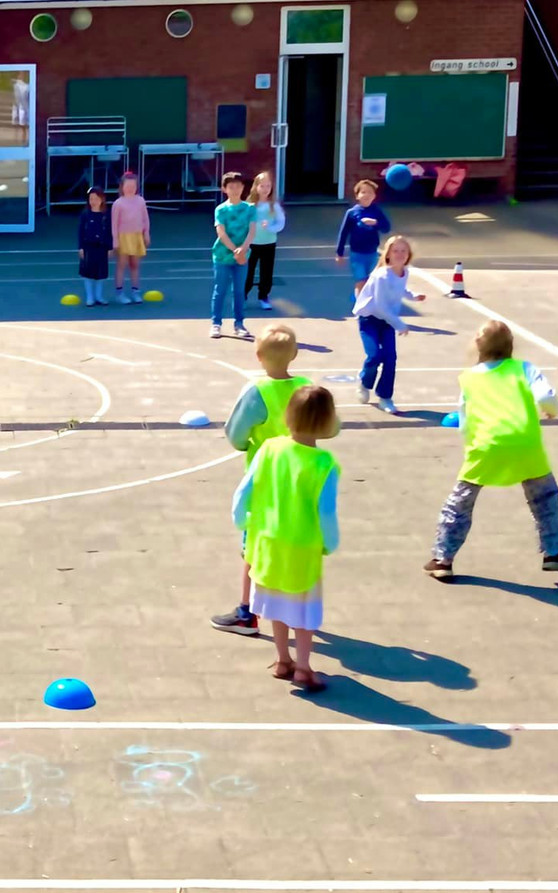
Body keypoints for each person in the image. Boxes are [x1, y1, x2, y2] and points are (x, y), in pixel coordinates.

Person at [423, 321, 558, 581]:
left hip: (486, 445)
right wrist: (551, 410)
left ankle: (443, 559)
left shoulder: (469, 378)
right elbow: (546, 397)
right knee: (545, 498)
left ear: (479, 346)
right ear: (511, 345)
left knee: (460, 503)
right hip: (525, 443)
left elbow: (464, 417)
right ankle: (553, 552)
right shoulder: (524, 369)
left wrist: (470, 444)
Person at [232, 385, 341, 692]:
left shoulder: (269, 449)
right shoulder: (324, 464)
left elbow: (244, 489)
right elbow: (326, 512)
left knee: (276, 604)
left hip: (266, 541)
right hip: (302, 547)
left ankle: (282, 660)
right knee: (304, 612)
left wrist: (241, 520)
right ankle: (303, 667)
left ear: (288, 415)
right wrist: (330, 543)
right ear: (327, 421)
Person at [212, 324, 311, 636]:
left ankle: (247, 613)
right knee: (295, 540)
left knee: (254, 545)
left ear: (258, 356)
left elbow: (235, 433)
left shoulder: (258, 391)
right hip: (302, 476)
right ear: (295, 354)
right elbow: (330, 426)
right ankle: (297, 608)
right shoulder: (306, 387)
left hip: (265, 478)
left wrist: (248, 445)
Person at [353, 235, 426, 415]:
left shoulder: (404, 272)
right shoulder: (381, 276)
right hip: (369, 319)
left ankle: (385, 397)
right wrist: (399, 324)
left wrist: (413, 296)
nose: (400, 254)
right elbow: (380, 306)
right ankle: (364, 382)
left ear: (408, 254)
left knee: (390, 358)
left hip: (386, 321)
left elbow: (400, 289)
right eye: (395, 251)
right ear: (388, 254)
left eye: (403, 251)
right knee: (374, 355)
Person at [210, 171, 257, 339]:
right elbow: (221, 232)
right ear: (224, 189)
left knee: (238, 291)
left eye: (238, 186)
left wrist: (243, 249)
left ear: (243, 187)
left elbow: (252, 231)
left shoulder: (250, 208)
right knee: (220, 290)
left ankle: (239, 324)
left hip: (243, 257)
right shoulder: (221, 210)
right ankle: (216, 324)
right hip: (222, 256)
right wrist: (234, 250)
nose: (235, 190)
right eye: (231, 187)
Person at [335, 179, 391, 297]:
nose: (366, 195)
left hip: (372, 254)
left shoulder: (377, 211)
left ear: (374, 196)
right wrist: (339, 253)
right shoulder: (351, 213)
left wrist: (376, 223)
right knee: (360, 280)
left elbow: (386, 228)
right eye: (363, 192)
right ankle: (360, 304)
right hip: (356, 254)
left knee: (371, 281)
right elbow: (343, 233)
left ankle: (369, 303)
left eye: (370, 192)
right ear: (357, 196)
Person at [244, 172, 285, 312]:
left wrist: (270, 227)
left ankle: (263, 296)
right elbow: (243, 222)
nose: (265, 189)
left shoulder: (274, 205)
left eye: (268, 186)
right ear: (256, 187)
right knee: (248, 272)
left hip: (269, 243)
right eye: (262, 186)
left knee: (266, 272)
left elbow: (281, 223)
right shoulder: (249, 205)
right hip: (251, 244)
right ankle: (243, 295)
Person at [109, 173, 150, 305]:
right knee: (121, 265)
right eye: (128, 186)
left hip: (137, 236)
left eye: (133, 186)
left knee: (135, 265)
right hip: (123, 238)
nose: (130, 188)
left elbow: (145, 219)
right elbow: (114, 224)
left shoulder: (141, 201)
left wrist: (146, 233)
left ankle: (135, 291)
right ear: (122, 187)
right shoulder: (118, 203)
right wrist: (115, 240)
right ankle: (119, 293)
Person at [77, 187, 113, 306]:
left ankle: (99, 296)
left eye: (96, 198)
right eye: (91, 199)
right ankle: (90, 297)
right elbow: (81, 231)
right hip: (88, 247)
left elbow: (109, 232)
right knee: (87, 273)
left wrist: (110, 247)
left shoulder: (106, 214)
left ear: (102, 199)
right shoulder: (85, 214)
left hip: (102, 248)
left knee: (100, 273)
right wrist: (81, 247)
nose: (93, 201)